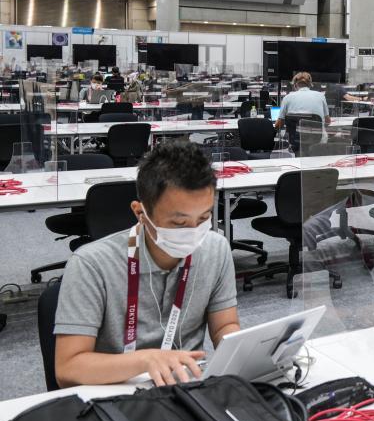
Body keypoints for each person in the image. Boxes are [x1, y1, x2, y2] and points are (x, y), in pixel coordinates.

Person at [53, 142, 240, 387]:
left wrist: (245, 349)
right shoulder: (91, 264)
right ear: (140, 213)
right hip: (115, 391)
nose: (194, 232)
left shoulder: (216, 248)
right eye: (179, 223)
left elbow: (225, 325)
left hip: (187, 386)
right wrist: (146, 360)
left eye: (204, 218)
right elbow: (68, 368)